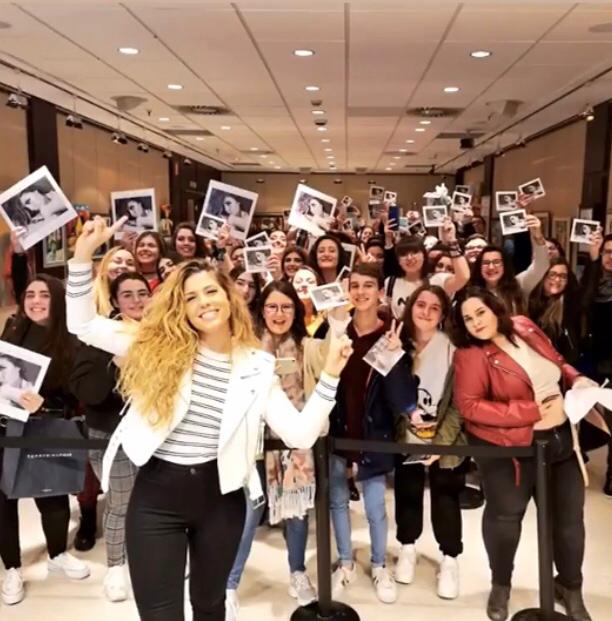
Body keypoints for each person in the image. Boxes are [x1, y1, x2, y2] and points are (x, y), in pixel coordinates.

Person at [65, 216, 352, 621]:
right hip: (156, 497)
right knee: (159, 614)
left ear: (229, 297)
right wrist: (82, 256)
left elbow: (301, 434)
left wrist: (331, 376)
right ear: (180, 308)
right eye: (191, 297)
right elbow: (81, 324)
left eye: (211, 291)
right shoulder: (155, 344)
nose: (204, 302)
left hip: (221, 500)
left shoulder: (256, 365)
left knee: (209, 607)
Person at [451, 286, 604, 621]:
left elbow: (558, 361)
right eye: (468, 318)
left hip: (561, 439)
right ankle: (501, 585)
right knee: (505, 520)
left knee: (569, 522)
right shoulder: (470, 354)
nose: (476, 322)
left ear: (495, 308)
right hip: (509, 449)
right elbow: (469, 406)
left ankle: (570, 586)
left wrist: (576, 378)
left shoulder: (524, 326)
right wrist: (530, 411)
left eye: (480, 312)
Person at [226, 280, 336, 619]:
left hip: (293, 444)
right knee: (248, 512)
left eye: (286, 306)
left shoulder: (308, 346)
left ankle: (297, 572)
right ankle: (229, 583)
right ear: (262, 310)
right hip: (252, 443)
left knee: (297, 512)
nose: (279, 313)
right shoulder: (245, 347)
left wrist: (340, 319)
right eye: (272, 306)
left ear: (296, 311)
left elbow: (335, 354)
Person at [328, 263, 417, 605]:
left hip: (374, 433)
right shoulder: (337, 330)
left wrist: (394, 354)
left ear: (380, 291)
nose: (361, 292)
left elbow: (401, 399)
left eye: (368, 285)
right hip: (338, 429)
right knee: (338, 501)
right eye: (354, 285)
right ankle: (346, 562)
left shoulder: (391, 334)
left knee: (376, 505)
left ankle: (380, 565)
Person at [1, 274, 90, 606]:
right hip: (4, 427)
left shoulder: (72, 341)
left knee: (52, 492)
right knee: (3, 498)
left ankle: (56, 554)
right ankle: (12, 567)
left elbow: (75, 396)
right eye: (30, 294)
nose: (36, 301)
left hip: (44, 427)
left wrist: (47, 404)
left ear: (58, 300)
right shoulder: (13, 329)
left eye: (44, 295)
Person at [70, 272, 151, 602]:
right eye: (127, 294)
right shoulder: (100, 334)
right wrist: (117, 362)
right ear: (115, 301)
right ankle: (116, 568)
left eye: (142, 293)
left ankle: (156, 557)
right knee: (121, 502)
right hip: (110, 433)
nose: (136, 300)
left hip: (156, 432)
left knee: (158, 502)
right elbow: (85, 390)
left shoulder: (161, 334)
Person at [394, 285, 466, 600]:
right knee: (407, 490)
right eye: (420, 304)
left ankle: (449, 558)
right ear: (410, 307)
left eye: (434, 307)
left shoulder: (453, 348)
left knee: (446, 494)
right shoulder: (397, 343)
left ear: (443, 314)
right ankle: (407, 547)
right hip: (407, 436)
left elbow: (460, 402)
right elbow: (387, 389)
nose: (425, 311)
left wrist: (442, 443)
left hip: (445, 437)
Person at [384, 219, 470, 319]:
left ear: (424, 256)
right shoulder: (391, 282)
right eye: (403, 254)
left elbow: (463, 277)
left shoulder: (437, 280)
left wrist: (452, 241)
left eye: (415, 252)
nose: (409, 258)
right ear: (398, 260)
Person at [581, 231, 612, 494]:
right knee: (584, 413)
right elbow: (582, 304)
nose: (611, 257)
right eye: (608, 252)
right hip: (590, 358)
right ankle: (579, 455)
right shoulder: (591, 281)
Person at [471, 216, 548, 315]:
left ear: (505, 265)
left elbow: (541, 266)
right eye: (486, 263)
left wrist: (538, 237)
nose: (491, 267)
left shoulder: (518, 284)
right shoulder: (471, 292)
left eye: (496, 262)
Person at [528, 257, 582, 365]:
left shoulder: (571, 303)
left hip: (564, 363)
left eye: (563, 276)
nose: (557, 280)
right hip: (536, 361)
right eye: (552, 274)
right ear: (544, 276)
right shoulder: (531, 300)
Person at [92, 246, 137, 317]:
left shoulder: (139, 298)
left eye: (130, 264)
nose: (124, 266)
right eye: (117, 262)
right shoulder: (88, 296)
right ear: (105, 265)